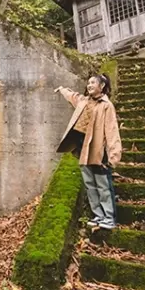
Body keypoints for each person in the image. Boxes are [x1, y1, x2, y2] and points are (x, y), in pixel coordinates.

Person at [54, 74, 122, 229]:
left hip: (98, 152)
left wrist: (113, 155)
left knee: (103, 185)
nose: (89, 85)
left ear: (102, 85)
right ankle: (98, 215)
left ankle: (109, 217)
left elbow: (112, 131)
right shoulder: (83, 101)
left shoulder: (106, 105)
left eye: (93, 82)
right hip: (82, 150)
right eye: (88, 82)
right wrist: (62, 90)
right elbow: (73, 96)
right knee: (90, 185)